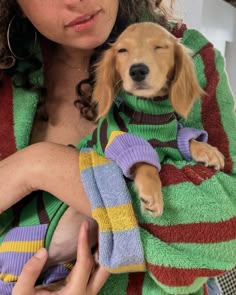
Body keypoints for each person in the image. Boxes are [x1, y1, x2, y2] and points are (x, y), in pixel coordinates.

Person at [0, 0, 236, 294]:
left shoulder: (189, 56)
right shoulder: (6, 75)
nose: (77, 1)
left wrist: (39, 166)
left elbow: (224, 235)